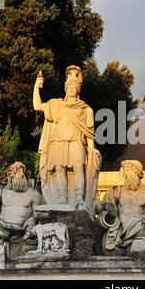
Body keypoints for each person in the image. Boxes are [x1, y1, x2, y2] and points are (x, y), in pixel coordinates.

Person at [33, 65, 101, 208]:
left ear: (78, 89)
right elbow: (37, 106)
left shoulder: (86, 109)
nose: (71, 88)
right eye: (69, 86)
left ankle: (79, 197)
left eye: (74, 87)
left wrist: (91, 148)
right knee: (59, 169)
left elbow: (89, 131)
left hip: (77, 140)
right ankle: (62, 197)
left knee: (78, 167)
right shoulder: (56, 104)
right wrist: (36, 86)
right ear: (65, 88)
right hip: (58, 140)